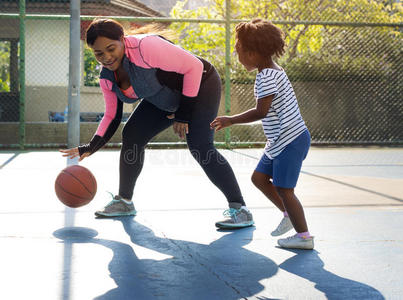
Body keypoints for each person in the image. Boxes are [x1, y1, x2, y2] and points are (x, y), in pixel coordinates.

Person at [59, 18, 254, 229]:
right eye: (99, 53)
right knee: (132, 134)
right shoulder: (107, 78)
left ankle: (240, 209)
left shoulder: (145, 47)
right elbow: (112, 116)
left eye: (110, 48)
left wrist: (183, 115)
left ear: (122, 40)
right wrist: (91, 146)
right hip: (163, 97)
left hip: (201, 85)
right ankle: (124, 201)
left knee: (200, 146)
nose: (106, 57)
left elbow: (194, 68)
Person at [210, 19, 313, 249]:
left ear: (253, 53)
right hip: (279, 141)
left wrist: (230, 120)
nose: (238, 56)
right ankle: (288, 215)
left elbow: (261, 111)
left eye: (239, 51)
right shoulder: (273, 70)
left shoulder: (266, 76)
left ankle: (304, 236)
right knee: (259, 178)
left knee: (285, 190)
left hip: (290, 140)